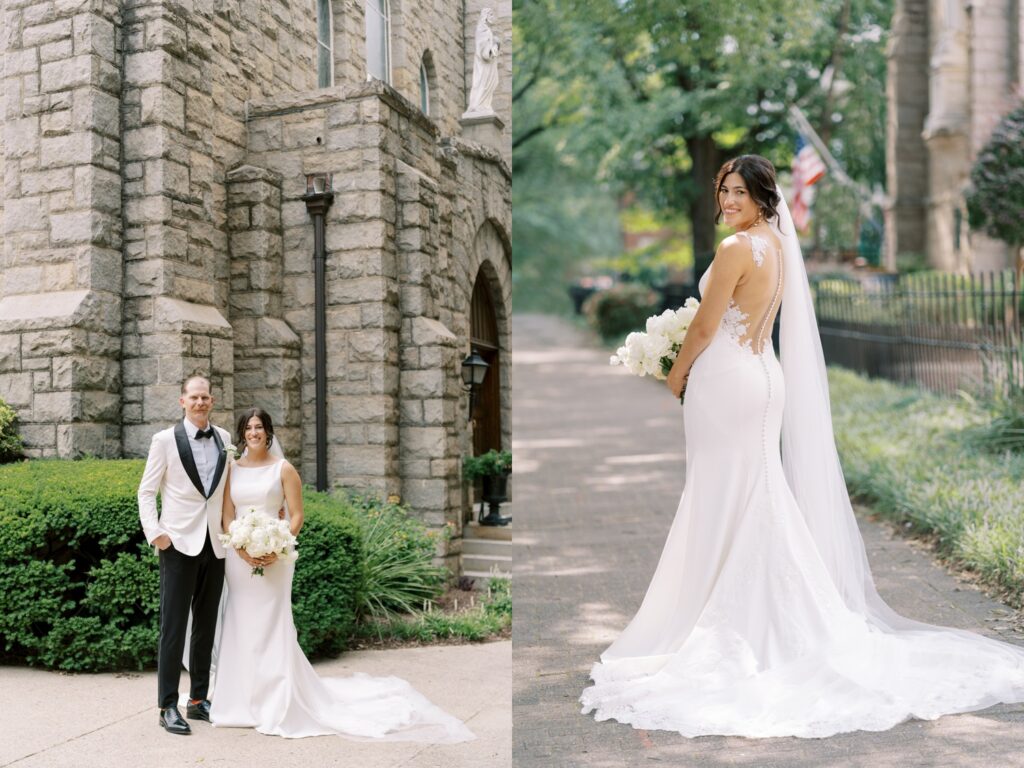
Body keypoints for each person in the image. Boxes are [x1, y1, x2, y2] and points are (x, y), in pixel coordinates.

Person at [580, 155, 1024, 738]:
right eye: (723, 190)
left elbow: (709, 327)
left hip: (728, 378)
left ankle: (732, 619)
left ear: (764, 196)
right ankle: (784, 613)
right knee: (753, 490)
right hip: (764, 374)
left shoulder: (737, 249)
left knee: (724, 490)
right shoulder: (776, 247)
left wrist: (675, 371)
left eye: (739, 191)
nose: (728, 200)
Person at [210, 407, 475, 742]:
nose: (253, 433)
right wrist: (242, 547)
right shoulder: (232, 470)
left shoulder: (284, 469)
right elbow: (227, 515)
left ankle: (277, 702)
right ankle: (239, 703)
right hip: (238, 558)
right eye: (248, 428)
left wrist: (276, 546)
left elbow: (296, 516)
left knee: (271, 626)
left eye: (259, 427)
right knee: (239, 623)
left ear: (269, 431)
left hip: (276, 559)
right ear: (241, 433)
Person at [138, 375, 230, 735]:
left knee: (206, 626)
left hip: (215, 543)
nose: (200, 402)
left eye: (205, 397)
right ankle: (166, 706)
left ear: (212, 400)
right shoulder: (164, 441)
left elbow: (226, 491)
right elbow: (146, 492)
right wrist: (157, 534)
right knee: (173, 627)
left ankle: (198, 700)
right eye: (194, 397)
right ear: (182, 401)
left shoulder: (224, 438)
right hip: (177, 544)